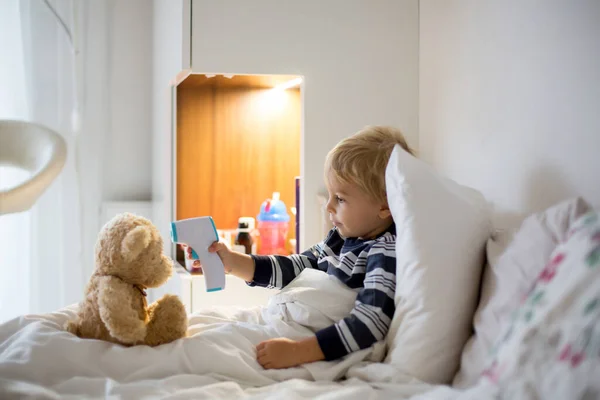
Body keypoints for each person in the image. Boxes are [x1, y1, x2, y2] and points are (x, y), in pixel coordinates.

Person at [184, 126, 414, 369]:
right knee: (197, 324)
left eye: (341, 199)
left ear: (385, 206)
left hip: (309, 343)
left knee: (202, 350)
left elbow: (371, 321)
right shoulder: (340, 238)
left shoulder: (384, 251)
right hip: (285, 320)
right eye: (330, 195)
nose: (328, 207)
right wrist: (233, 262)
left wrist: (298, 351)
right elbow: (296, 267)